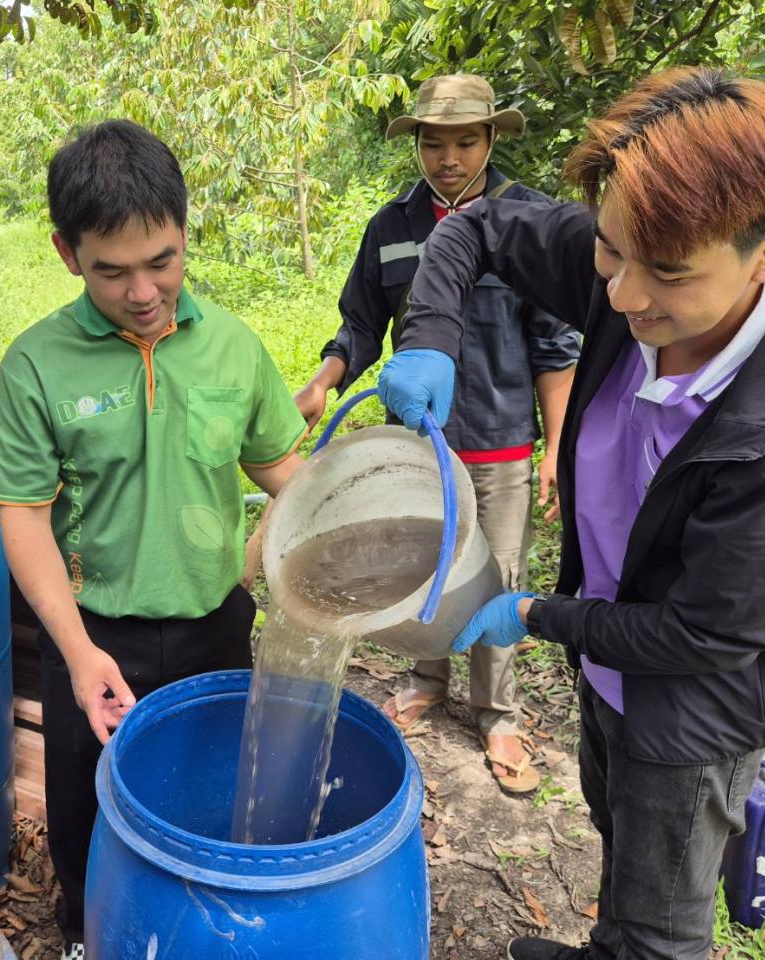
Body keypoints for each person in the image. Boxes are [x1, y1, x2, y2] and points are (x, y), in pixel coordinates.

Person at [377, 66, 765, 960]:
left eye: (669, 274)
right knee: (617, 830)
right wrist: (431, 337)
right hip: (609, 663)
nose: (622, 296)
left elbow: (701, 636)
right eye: (611, 253)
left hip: (691, 709)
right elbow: (478, 227)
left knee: (661, 924)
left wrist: (539, 614)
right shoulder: (640, 257)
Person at [0, 120, 307, 960]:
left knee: (211, 785)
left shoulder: (232, 347)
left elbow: (280, 467)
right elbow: (22, 516)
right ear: (68, 253)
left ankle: (202, 930)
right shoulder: (38, 366)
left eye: (163, 261)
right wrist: (77, 650)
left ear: (186, 232)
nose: (144, 291)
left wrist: (355, 508)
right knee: (87, 802)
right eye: (112, 271)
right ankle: (91, 933)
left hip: (214, 622)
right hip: (93, 631)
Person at [296, 74, 579, 794]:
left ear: (490, 140)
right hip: (419, 445)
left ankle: (496, 712)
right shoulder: (391, 228)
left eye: (465, 141)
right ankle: (427, 678)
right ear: (416, 144)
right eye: (433, 143)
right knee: (424, 565)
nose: (448, 157)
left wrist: (558, 446)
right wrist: (325, 380)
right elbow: (362, 324)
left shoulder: (530, 221)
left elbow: (554, 347)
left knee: (495, 575)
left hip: (502, 441)